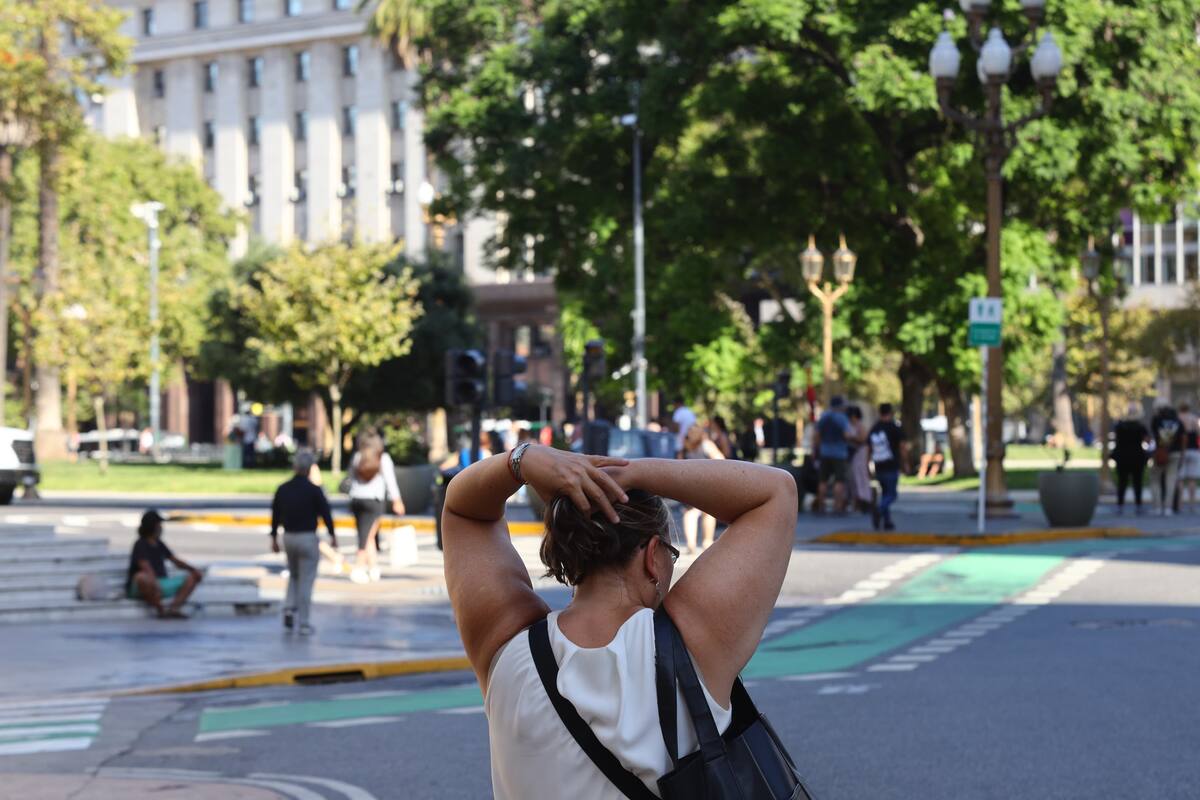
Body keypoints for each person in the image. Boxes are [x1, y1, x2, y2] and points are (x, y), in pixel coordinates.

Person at [441, 444, 797, 798]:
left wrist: (520, 462)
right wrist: (631, 470)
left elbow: (464, 511)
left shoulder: (505, 644)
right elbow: (774, 491)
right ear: (653, 558)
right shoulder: (690, 645)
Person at [270, 449, 337, 635]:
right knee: (306, 579)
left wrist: (274, 537)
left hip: (289, 536)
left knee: (294, 575)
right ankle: (305, 621)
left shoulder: (283, 488)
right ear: (310, 469)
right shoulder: (314, 490)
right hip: (307, 537)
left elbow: (275, 515)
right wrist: (333, 536)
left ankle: (290, 607)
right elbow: (326, 514)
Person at [348, 432, 404, 584]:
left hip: (356, 498)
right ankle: (358, 568)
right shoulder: (383, 458)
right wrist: (397, 500)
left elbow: (350, 477)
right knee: (367, 535)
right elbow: (390, 481)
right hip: (374, 500)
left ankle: (373, 567)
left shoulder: (357, 456)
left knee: (367, 534)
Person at [126, 510, 203, 619]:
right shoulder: (140, 544)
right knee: (141, 577)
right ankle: (160, 610)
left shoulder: (159, 543)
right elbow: (145, 567)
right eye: (158, 525)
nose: (161, 527)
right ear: (152, 526)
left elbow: (175, 561)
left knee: (193, 576)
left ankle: (174, 608)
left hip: (161, 582)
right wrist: (154, 583)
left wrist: (193, 569)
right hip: (145, 584)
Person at [679, 424, 726, 553]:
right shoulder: (706, 444)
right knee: (708, 513)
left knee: (690, 513)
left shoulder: (685, 446)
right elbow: (721, 460)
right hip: (707, 482)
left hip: (689, 483)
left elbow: (679, 464)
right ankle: (707, 542)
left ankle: (691, 544)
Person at [868, 403, 907, 531]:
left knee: (885, 493)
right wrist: (905, 462)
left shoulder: (874, 428)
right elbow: (902, 447)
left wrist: (867, 464)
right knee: (892, 494)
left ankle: (887, 521)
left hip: (879, 465)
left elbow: (869, 448)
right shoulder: (894, 428)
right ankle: (879, 510)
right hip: (891, 465)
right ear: (891, 413)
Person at [812, 395, 851, 513]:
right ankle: (837, 506)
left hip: (825, 451)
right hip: (839, 453)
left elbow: (817, 435)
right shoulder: (842, 418)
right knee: (839, 480)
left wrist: (817, 448)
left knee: (823, 480)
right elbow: (846, 435)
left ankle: (821, 505)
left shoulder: (824, 416)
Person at [1111, 403, 1150, 514]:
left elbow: (1116, 440)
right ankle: (1138, 505)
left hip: (1122, 456)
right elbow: (1147, 440)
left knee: (1122, 482)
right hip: (1137, 456)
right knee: (1137, 482)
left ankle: (1120, 505)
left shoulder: (1120, 426)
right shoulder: (1141, 427)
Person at [1149, 405, 1184, 517]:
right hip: (1175, 453)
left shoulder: (1157, 420)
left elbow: (1153, 435)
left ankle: (1157, 506)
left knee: (1155, 480)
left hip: (1160, 452)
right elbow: (1184, 439)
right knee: (1171, 481)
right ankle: (1168, 507)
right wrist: (1182, 453)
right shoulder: (1178, 422)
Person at [845, 405, 872, 513]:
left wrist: (850, 438)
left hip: (859, 453)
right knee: (853, 478)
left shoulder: (860, 426)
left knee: (860, 476)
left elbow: (863, 439)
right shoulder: (849, 425)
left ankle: (864, 500)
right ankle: (856, 501)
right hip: (852, 454)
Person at [1177, 402, 1199, 513]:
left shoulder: (1177, 418)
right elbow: (1198, 433)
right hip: (1194, 449)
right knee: (1192, 479)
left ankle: (1179, 504)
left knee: (1180, 479)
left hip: (1181, 450)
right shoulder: (1194, 418)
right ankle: (1192, 504)